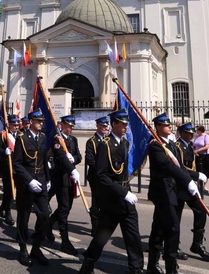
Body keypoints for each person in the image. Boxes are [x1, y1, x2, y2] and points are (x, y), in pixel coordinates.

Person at [79, 109, 144, 274]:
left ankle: (136, 268)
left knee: (133, 235)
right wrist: (123, 193)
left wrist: (127, 189)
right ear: (113, 124)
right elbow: (101, 176)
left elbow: (123, 171)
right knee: (102, 237)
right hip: (113, 199)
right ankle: (88, 265)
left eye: (126, 124)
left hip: (125, 196)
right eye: (122, 124)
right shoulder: (105, 145)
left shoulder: (125, 143)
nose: (125, 127)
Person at [146, 113, 199, 274]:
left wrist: (194, 177)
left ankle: (152, 266)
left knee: (159, 228)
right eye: (166, 124)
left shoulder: (172, 145)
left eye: (169, 124)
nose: (170, 126)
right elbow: (168, 166)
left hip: (172, 190)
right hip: (162, 191)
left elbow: (180, 167)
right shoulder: (155, 145)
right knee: (172, 228)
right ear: (158, 127)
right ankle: (170, 267)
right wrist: (187, 181)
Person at [13, 108, 51, 267]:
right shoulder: (22, 138)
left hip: (41, 179)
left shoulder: (42, 137)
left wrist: (47, 179)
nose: (42, 123)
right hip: (26, 182)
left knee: (44, 215)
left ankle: (36, 247)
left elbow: (44, 159)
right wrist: (29, 181)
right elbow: (17, 164)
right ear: (31, 122)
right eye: (39, 121)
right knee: (24, 216)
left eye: (42, 121)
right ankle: (22, 248)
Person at [175, 122, 209, 262]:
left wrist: (195, 177)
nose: (191, 135)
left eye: (192, 133)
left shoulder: (189, 146)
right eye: (189, 133)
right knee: (175, 217)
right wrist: (195, 176)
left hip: (190, 186)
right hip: (179, 186)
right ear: (182, 133)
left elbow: (191, 165)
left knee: (201, 211)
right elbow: (180, 168)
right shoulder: (177, 146)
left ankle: (197, 244)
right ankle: (174, 246)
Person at [48, 114, 82, 255]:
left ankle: (47, 225)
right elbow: (60, 158)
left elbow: (79, 156)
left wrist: (72, 158)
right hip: (60, 178)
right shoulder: (57, 139)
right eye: (68, 125)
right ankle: (65, 241)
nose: (71, 128)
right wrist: (69, 164)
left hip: (70, 179)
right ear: (62, 125)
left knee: (66, 208)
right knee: (63, 209)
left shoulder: (73, 139)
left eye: (72, 126)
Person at [85, 115, 109, 236]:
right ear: (98, 126)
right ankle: (95, 227)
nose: (105, 128)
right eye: (103, 126)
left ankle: (102, 225)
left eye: (106, 126)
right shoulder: (92, 142)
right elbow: (90, 160)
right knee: (96, 203)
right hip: (95, 177)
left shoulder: (108, 140)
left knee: (105, 202)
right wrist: (102, 170)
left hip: (106, 177)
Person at [0, 114, 20, 225]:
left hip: (18, 167)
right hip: (7, 167)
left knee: (14, 189)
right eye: (14, 125)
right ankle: (8, 212)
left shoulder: (21, 135)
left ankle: (2, 207)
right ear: (9, 125)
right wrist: (4, 151)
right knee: (9, 190)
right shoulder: (3, 135)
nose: (16, 127)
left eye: (17, 125)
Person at [193, 125, 209, 192]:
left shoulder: (206, 136)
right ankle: (199, 184)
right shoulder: (196, 137)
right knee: (199, 170)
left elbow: (207, 146)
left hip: (205, 155)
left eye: (197, 130)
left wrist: (198, 150)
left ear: (200, 130)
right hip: (198, 155)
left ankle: (204, 185)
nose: (196, 131)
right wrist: (194, 151)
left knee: (205, 171)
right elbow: (194, 145)